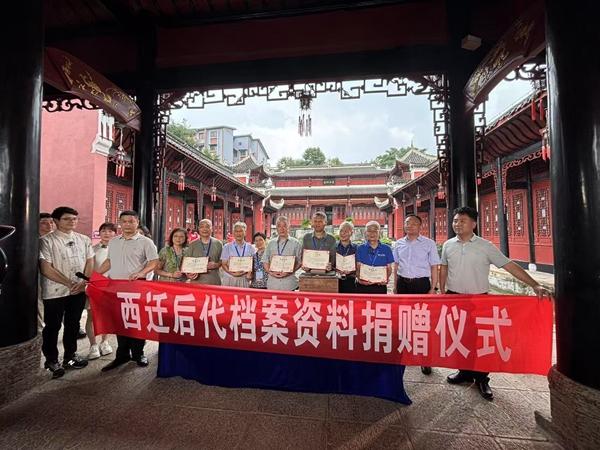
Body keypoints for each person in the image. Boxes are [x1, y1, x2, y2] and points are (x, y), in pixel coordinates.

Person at [440, 206, 551, 400]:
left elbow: (509, 266)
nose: (457, 224)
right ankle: (464, 372)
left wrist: (534, 284)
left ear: (474, 224)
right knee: (459, 337)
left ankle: (482, 378)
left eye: (462, 221)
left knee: (481, 341)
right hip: (454, 298)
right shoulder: (448, 245)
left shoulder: (486, 246)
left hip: (478, 300)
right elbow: (444, 268)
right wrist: (441, 291)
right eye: (455, 220)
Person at [97, 210, 159, 371]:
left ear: (137, 222)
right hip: (116, 288)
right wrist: (95, 275)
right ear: (120, 223)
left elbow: (154, 262)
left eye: (131, 221)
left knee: (137, 322)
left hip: (137, 287)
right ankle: (122, 355)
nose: (127, 224)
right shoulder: (114, 241)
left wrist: (142, 273)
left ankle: (138, 354)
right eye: (124, 221)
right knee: (120, 321)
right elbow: (109, 261)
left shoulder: (145, 242)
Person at [39, 206, 94, 378]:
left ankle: (70, 356)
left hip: (78, 290)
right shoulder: (46, 241)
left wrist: (84, 282)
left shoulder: (83, 239)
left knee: (73, 324)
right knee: (53, 326)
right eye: (67, 219)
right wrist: (69, 283)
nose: (72, 221)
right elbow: (46, 268)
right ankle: (51, 360)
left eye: (74, 219)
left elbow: (90, 261)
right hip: (55, 291)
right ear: (56, 221)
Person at [393, 214, 441, 375]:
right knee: (404, 320)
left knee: (422, 322)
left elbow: (434, 267)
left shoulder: (429, 243)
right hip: (403, 283)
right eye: (407, 223)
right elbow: (396, 265)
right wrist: (395, 286)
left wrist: (433, 288)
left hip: (421, 284)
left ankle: (425, 359)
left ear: (420, 226)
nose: (410, 226)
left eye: (414, 223)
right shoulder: (399, 243)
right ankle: (405, 353)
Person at [86, 222, 116, 360]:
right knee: (91, 316)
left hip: (112, 287)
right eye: (104, 231)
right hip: (95, 286)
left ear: (115, 233)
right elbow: (89, 268)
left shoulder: (119, 249)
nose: (107, 233)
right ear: (99, 233)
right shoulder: (92, 249)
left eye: (110, 231)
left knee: (107, 316)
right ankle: (93, 345)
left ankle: (105, 342)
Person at [262, 216, 302, 291]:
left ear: (289, 227)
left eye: (284, 226)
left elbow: (299, 262)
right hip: (273, 283)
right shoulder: (271, 243)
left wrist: (289, 272)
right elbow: (265, 261)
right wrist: (271, 273)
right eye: (279, 226)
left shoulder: (296, 243)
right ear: (276, 228)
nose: (282, 229)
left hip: (289, 284)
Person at [355, 221, 394, 294]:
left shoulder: (387, 249)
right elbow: (357, 266)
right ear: (365, 233)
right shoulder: (360, 248)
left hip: (380, 285)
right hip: (363, 285)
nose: (372, 233)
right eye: (369, 231)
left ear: (380, 232)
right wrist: (359, 279)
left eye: (375, 231)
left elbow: (389, 268)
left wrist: (386, 278)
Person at [185, 219, 223, 285]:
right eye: (202, 227)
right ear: (198, 229)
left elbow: (223, 261)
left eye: (207, 226)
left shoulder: (218, 244)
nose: (204, 229)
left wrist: (216, 265)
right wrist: (188, 273)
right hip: (196, 282)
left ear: (212, 229)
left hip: (214, 281)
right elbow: (187, 263)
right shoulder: (192, 244)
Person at [221, 221, 256, 287]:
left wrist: (250, 273)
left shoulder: (251, 248)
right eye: (236, 231)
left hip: (244, 278)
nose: (238, 233)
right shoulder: (227, 247)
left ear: (245, 232)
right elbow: (224, 264)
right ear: (233, 233)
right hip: (230, 278)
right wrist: (232, 273)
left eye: (241, 231)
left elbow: (253, 264)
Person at [37, 212, 55, 332]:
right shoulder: (33, 240)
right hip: (38, 274)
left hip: (56, 274)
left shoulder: (56, 239)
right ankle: (39, 328)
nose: (49, 225)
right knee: (39, 301)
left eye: (51, 222)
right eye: (44, 223)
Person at [336, 221, 358, 293]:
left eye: (346, 231)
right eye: (341, 231)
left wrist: (352, 271)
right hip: (335, 280)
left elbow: (359, 265)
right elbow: (330, 263)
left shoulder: (356, 248)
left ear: (351, 233)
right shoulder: (333, 246)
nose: (343, 233)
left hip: (351, 281)